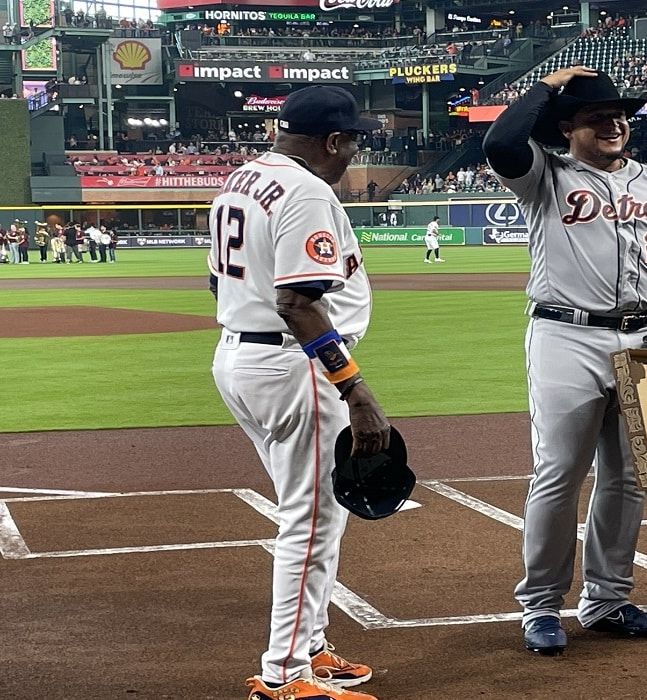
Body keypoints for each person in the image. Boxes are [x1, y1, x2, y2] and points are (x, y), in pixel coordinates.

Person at [482, 67, 647, 654]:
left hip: (645, 341)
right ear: (567, 127)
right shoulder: (545, 176)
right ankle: (540, 605)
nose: (614, 123)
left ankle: (608, 599)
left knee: (630, 477)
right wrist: (549, 85)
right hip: (566, 336)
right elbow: (501, 142)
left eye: (620, 115)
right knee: (559, 473)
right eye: (597, 115)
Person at [208, 85, 388, 700]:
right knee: (310, 523)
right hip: (292, 368)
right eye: (353, 141)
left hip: (243, 356)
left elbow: (217, 281)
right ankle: (284, 675)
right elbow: (296, 301)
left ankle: (310, 645)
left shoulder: (242, 177)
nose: (354, 153)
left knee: (319, 512)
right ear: (331, 141)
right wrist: (354, 387)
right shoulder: (308, 189)